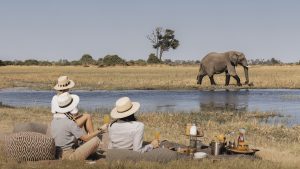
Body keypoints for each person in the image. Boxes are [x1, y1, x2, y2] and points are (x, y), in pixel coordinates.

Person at [51, 92, 107, 160]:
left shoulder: (54, 120)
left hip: (57, 153)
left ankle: (92, 154)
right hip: (69, 156)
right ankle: (93, 155)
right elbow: (86, 138)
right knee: (96, 140)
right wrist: (100, 130)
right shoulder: (70, 122)